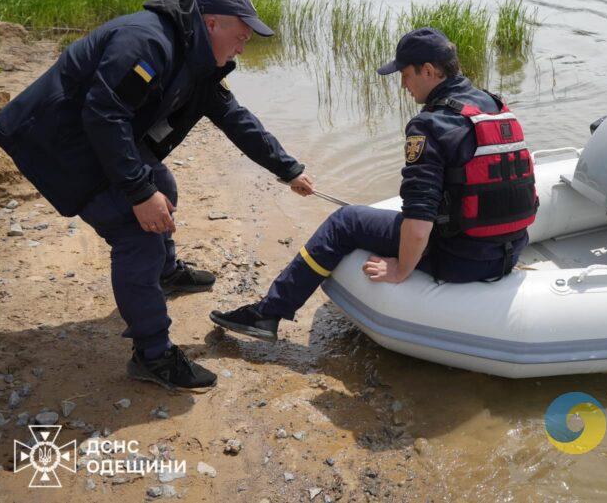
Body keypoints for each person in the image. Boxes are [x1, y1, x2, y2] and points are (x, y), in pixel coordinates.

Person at [0, 0, 314, 390]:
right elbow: (104, 115)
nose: (244, 47)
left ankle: (165, 273)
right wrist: (139, 194)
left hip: (92, 134)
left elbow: (235, 118)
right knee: (138, 232)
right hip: (55, 140)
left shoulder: (196, 57)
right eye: (242, 35)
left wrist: (288, 170)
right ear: (211, 23)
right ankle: (153, 354)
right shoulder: (148, 42)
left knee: (161, 182)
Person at [209, 27, 538, 342]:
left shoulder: (430, 124)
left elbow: (420, 220)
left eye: (405, 75)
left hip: (460, 259)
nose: (403, 85)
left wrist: (401, 269)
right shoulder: (493, 105)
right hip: (509, 251)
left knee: (345, 220)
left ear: (428, 71)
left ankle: (268, 313)